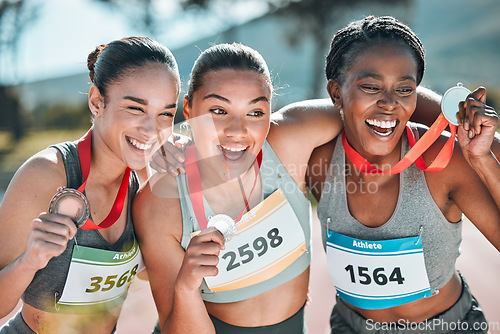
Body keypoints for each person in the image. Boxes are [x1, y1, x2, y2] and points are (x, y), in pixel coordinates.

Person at [134, 42, 446, 334]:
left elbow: (379, 102)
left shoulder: (288, 141)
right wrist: (186, 285)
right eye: (218, 111)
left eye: (256, 112)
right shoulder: (161, 202)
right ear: (188, 109)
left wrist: (459, 114)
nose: (237, 131)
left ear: (270, 112)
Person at [306, 16, 499, 333]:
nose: (389, 104)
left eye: (404, 89)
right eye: (370, 87)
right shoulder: (318, 161)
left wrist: (483, 159)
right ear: (336, 92)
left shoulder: (445, 159)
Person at [0, 37, 180, 333]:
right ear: (97, 102)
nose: (152, 130)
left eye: (165, 114)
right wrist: (28, 261)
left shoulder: (150, 185)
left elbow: (159, 283)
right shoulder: (46, 174)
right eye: (136, 108)